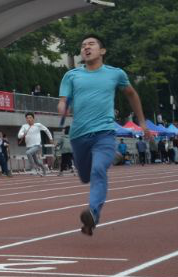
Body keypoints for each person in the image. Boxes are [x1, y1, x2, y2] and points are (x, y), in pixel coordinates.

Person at [59, 33, 152, 236]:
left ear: (102, 50)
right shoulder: (72, 75)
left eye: (91, 44)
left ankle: (92, 213)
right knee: (85, 176)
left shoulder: (115, 74)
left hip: (104, 133)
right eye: (83, 45)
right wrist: (62, 105)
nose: (86, 47)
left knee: (98, 170)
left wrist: (142, 122)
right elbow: (64, 99)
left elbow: (132, 94)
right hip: (79, 135)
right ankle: (106, 160)